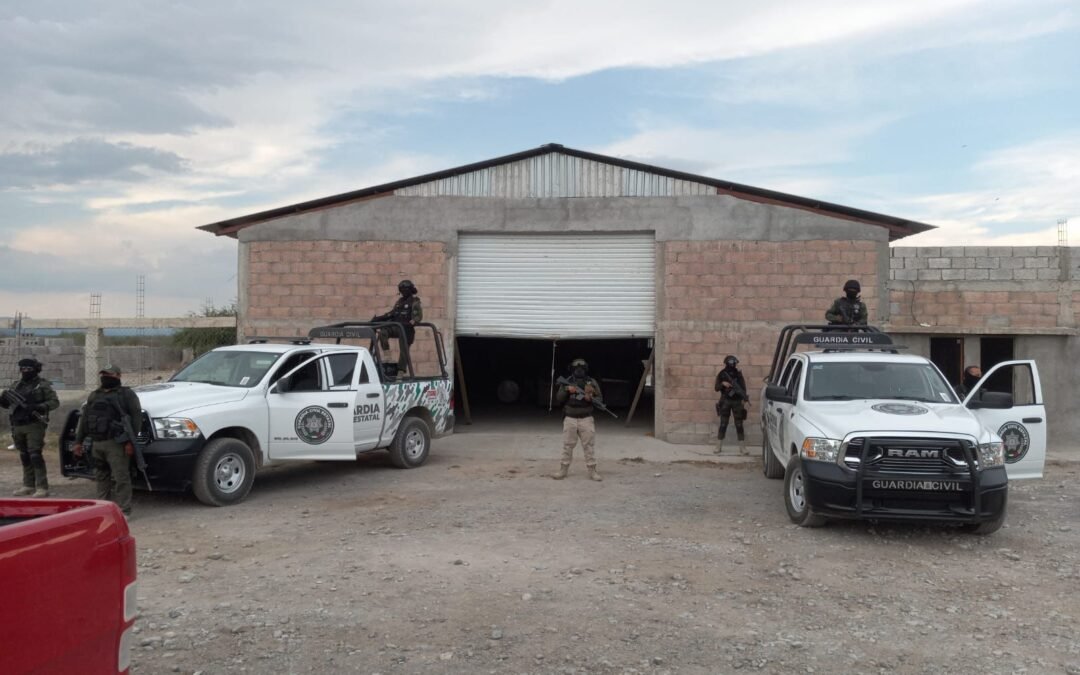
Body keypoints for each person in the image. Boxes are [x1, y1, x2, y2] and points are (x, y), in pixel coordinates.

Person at [71, 365, 142, 516]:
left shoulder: (126, 395)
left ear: (118, 376)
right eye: (103, 374)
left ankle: (124, 510)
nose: (105, 377)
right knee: (101, 476)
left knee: (120, 477)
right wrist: (78, 441)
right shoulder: (94, 395)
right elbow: (85, 420)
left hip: (116, 444)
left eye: (109, 374)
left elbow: (136, 419)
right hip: (97, 443)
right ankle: (102, 508)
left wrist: (131, 442)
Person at [1, 358, 60, 497]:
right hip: (18, 424)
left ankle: (42, 487)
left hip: (34, 424)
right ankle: (28, 485)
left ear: (36, 369)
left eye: (29, 369)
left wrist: (39, 407)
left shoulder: (42, 385)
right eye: (23, 369)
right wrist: (3, 400)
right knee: (24, 455)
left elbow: (54, 402)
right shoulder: (16, 386)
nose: (25, 371)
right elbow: (7, 404)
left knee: (35, 455)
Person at [553, 358, 603, 482]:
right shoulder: (567, 382)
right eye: (576, 369)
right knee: (568, 446)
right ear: (572, 369)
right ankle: (563, 470)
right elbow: (559, 399)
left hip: (586, 418)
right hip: (570, 418)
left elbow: (600, 401)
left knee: (589, 446)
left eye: (581, 369)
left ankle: (592, 471)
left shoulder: (591, 382)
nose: (579, 371)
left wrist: (590, 397)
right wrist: (566, 390)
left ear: (585, 369)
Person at [714, 355, 750, 455]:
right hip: (725, 401)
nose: (733, 364)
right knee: (723, 424)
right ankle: (718, 446)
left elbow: (743, 387)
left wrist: (744, 398)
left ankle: (742, 448)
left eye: (734, 362)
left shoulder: (738, 374)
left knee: (739, 424)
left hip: (737, 402)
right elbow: (716, 388)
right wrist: (723, 384)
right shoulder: (722, 374)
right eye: (731, 362)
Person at [373, 279, 423, 346]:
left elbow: (418, 316)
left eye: (404, 290)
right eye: (401, 290)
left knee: (404, 354)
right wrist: (379, 318)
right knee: (383, 332)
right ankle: (387, 355)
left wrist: (414, 321)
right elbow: (392, 313)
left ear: (409, 290)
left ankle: (404, 356)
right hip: (397, 327)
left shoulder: (414, 302)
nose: (402, 292)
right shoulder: (400, 302)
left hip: (406, 330)